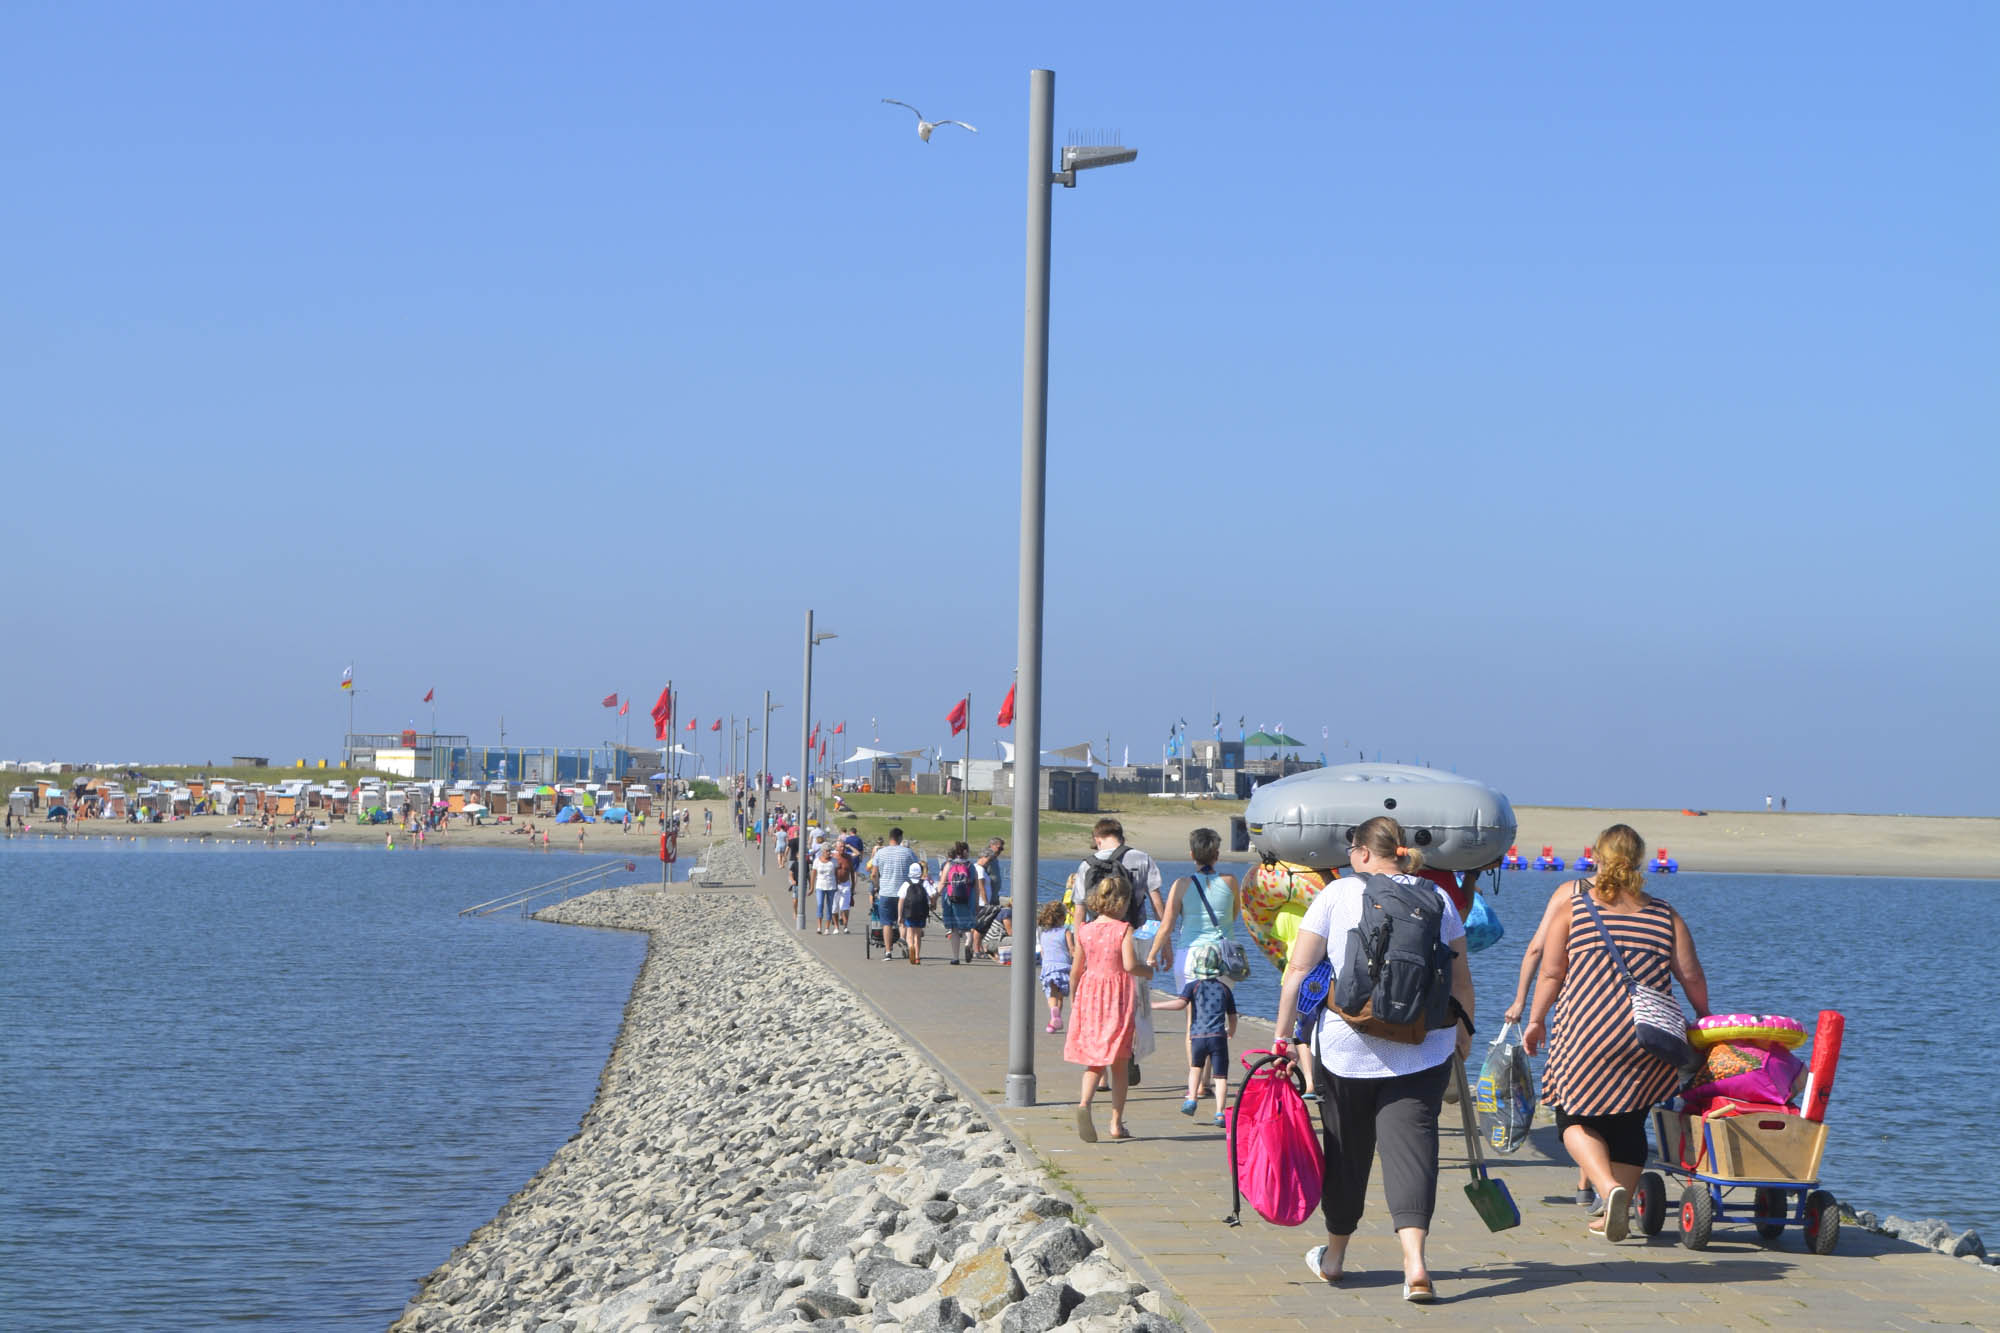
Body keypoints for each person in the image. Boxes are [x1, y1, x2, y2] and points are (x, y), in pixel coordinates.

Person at [1271, 816, 1475, 1303]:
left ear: (1363, 852)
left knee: (1347, 1153)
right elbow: (1461, 977)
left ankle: (1335, 1257)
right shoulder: (1438, 896)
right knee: (1414, 1153)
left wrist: (1283, 1037)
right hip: (1424, 1046)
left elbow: (1298, 968)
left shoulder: (1336, 893)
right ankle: (1416, 1265)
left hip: (1347, 1048)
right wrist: (1464, 1035)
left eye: (1351, 852)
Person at [1524, 823, 1711, 1242]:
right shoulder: (1665, 914)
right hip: (1649, 1036)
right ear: (1639, 860)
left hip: (1585, 1031)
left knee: (1571, 1116)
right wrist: (1704, 1018)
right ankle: (1615, 1210)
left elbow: (1552, 973)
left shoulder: (1575, 908)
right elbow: (1691, 976)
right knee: (1630, 1121)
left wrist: (1536, 1019)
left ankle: (1610, 1191)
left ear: (1595, 856)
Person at [1063, 867, 1154, 1141]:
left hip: (1090, 995)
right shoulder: (1123, 930)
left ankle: (1084, 1103)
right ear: (1121, 902)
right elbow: (1129, 965)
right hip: (1116, 998)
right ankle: (1116, 1124)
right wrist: (1148, 970)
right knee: (1119, 1062)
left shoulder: (1085, 930)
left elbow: (1076, 970)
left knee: (1094, 1059)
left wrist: (1074, 999)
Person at [1075, 818, 1164, 1084]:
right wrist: (1165, 942)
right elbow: (1157, 902)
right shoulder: (1141, 858)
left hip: (1096, 939)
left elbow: (1079, 909)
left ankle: (1100, 1074)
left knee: (1100, 1008)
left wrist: (1080, 945)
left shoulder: (1086, 865)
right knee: (1133, 1004)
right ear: (1121, 836)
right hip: (1134, 937)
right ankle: (1128, 1054)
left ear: (1097, 837)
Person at [1152, 947, 1238, 1125]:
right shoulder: (1225, 989)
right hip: (1218, 1037)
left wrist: (1156, 1005)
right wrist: (1231, 1030)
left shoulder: (1193, 986)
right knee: (1220, 1077)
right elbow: (1232, 1016)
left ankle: (1192, 1099)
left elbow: (1180, 1004)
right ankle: (1220, 1113)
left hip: (1198, 1036)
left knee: (1195, 1068)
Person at [867, 828, 919, 957]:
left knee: (886, 923)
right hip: (904, 892)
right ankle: (902, 938)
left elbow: (874, 874)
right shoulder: (908, 852)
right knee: (903, 920)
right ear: (900, 838)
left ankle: (888, 951)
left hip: (886, 892)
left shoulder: (880, 853)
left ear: (890, 838)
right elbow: (917, 869)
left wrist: (877, 887)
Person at [937, 841, 981, 964]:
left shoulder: (949, 865)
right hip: (967, 900)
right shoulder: (971, 866)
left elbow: (942, 883)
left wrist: (935, 896)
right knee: (967, 928)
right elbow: (976, 887)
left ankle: (955, 958)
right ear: (966, 852)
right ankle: (968, 944)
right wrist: (976, 903)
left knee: (954, 929)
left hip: (951, 900)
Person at [1037, 899, 1074, 1032]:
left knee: (1052, 993)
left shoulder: (1044, 934)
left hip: (1049, 966)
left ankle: (1054, 1016)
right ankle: (1054, 1021)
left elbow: (1043, 952)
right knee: (1060, 995)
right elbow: (1072, 949)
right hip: (1063, 966)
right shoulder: (1066, 932)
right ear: (1062, 917)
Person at [898, 858, 931, 964]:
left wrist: (900, 916)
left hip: (909, 912)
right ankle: (917, 956)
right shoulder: (924, 883)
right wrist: (933, 903)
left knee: (910, 933)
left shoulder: (906, 884)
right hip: (921, 912)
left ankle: (911, 946)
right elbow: (933, 894)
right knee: (918, 935)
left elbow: (901, 901)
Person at [812, 840, 839, 935]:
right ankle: (819, 927)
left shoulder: (834, 861)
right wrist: (811, 887)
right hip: (820, 886)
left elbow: (836, 874)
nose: (829, 853)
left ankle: (827, 928)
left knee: (829, 907)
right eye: (827, 851)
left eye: (829, 851)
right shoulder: (817, 861)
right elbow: (813, 874)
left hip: (831, 886)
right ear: (823, 851)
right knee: (820, 905)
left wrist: (837, 885)